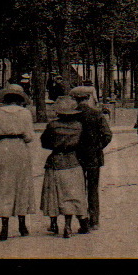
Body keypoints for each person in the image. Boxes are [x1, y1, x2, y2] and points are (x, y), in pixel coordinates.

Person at [0, 83, 36, 241]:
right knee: (22, 185)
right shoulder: (25, 113)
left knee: (3, 186)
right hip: (20, 148)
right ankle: (22, 225)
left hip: (4, 149)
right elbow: (29, 136)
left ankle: (4, 228)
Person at [40, 96, 88, 238]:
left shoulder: (52, 126)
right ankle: (68, 226)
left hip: (55, 161)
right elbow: (82, 143)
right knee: (73, 194)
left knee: (53, 194)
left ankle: (53, 223)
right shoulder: (78, 126)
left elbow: (44, 143)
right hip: (73, 161)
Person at [70, 85, 112, 232]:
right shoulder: (97, 114)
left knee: (78, 189)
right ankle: (95, 221)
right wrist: (97, 147)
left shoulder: (71, 115)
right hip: (93, 157)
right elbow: (107, 135)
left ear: (74, 99)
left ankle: (83, 220)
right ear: (88, 98)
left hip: (76, 157)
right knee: (93, 189)